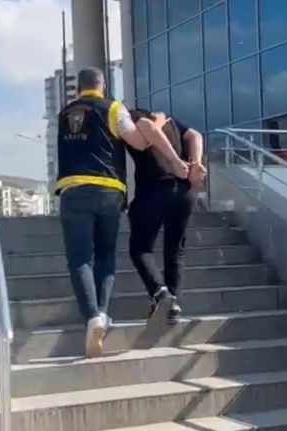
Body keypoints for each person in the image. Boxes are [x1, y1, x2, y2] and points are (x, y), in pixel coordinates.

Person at [55, 68, 189, 358]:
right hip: (108, 190)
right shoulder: (113, 108)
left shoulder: (64, 114)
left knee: (79, 260)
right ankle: (103, 311)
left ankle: (93, 317)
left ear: (77, 89)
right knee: (105, 256)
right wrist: (157, 122)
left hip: (73, 189)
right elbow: (141, 141)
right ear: (102, 85)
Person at [126, 108, 206, 325]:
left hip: (154, 189)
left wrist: (174, 160)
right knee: (175, 250)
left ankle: (160, 292)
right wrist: (196, 162)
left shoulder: (135, 119)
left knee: (140, 248)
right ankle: (174, 305)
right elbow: (195, 135)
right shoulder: (171, 122)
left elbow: (146, 126)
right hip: (183, 192)